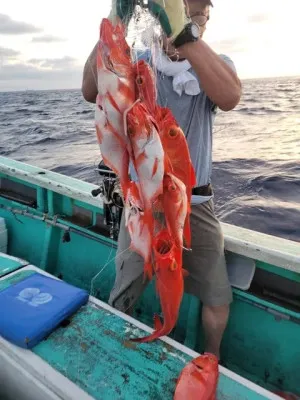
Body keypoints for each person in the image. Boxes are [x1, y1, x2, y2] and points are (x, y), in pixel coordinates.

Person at [81, 0, 242, 359]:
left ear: (205, 20)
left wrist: (184, 34)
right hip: (142, 202)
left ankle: (210, 359)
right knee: (126, 284)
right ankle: (115, 347)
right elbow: (91, 90)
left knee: (217, 294)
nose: (187, 18)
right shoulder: (139, 60)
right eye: (178, 9)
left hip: (194, 205)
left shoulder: (215, 67)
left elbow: (230, 96)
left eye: (196, 14)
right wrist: (117, 19)